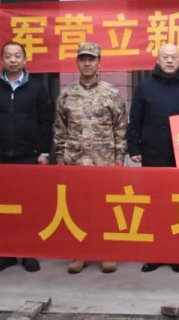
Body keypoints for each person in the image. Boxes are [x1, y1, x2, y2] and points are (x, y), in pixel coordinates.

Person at [0, 41, 53, 274]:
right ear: (1, 60)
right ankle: (6, 253)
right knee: (4, 207)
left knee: (29, 206)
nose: (13, 60)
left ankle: (28, 251)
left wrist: (44, 152)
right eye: (8, 56)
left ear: (25, 59)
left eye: (17, 56)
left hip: (28, 157)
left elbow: (46, 122)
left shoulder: (37, 88)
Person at [53, 42, 127, 275]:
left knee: (105, 207)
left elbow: (121, 128)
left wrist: (119, 158)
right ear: (77, 62)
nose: (87, 63)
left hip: (103, 161)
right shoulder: (66, 94)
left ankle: (107, 251)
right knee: (78, 208)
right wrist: (60, 156)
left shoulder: (111, 93)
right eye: (83, 59)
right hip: (75, 160)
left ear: (99, 63)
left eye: (91, 59)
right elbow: (60, 128)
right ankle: (80, 252)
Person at [128, 43, 179, 274]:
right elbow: (135, 119)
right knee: (155, 206)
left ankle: (175, 253)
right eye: (165, 57)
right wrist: (134, 147)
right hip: (152, 155)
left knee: (177, 206)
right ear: (157, 60)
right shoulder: (145, 86)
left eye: (174, 57)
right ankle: (155, 254)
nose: (169, 61)